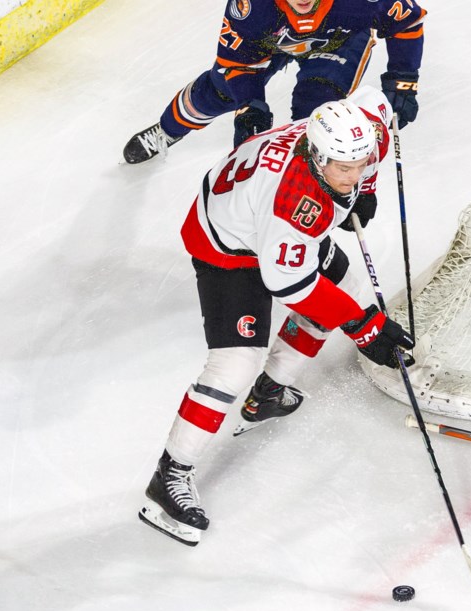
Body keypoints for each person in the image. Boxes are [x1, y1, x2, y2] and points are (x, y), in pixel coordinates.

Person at [138, 86, 414, 546]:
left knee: (343, 290)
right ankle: (167, 480)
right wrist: (365, 328)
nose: (353, 173)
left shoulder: (363, 132)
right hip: (228, 244)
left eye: (360, 164)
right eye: (343, 169)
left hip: (262, 220)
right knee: (234, 363)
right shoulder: (296, 203)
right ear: (316, 156)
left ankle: (267, 393)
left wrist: (363, 187)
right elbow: (289, 283)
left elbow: (382, 101)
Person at [122, 0, 426, 164]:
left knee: (316, 112)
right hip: (271, 38)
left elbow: (407, 20)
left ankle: (306, 185)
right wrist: (249, 106)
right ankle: (167, 130)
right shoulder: (251, 8)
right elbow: (238, 62)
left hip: (340, 39)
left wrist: (403, 79)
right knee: (220, 91)